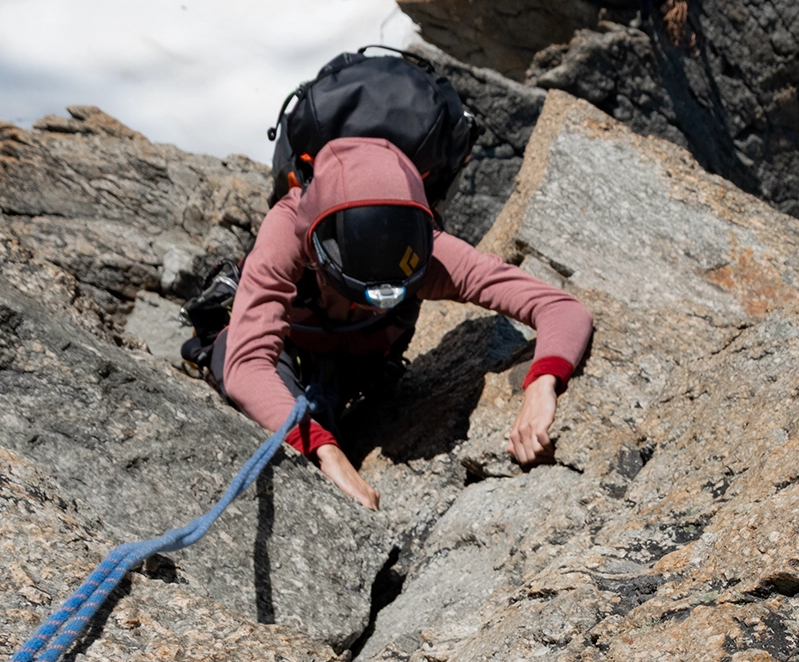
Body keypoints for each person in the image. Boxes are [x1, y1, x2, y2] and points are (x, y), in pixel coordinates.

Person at [213, 136, 593, 510]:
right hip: (290, 347)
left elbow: (560, 308)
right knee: (237, 363)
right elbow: (247, 363)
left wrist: (542, 384)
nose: (377, 302)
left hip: (357, 365)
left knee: (321, 414)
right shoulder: (290, 229)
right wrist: (324, 449)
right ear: (318, 253)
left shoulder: (426, 250)